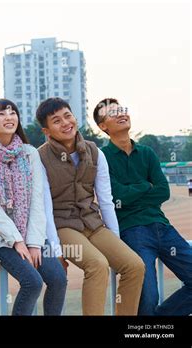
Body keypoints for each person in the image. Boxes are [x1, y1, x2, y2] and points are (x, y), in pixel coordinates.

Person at [35, 97, 145, 315]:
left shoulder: (96, 152)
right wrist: (56, 248)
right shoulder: (40, 157)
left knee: (134, 265)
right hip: (62, 225)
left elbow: (105, 200)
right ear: (47, 131)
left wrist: (114, 237)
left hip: (92, 223)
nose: (65, 123)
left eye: (68, 116)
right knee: (97, 265)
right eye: (56, 121)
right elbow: (44, 206)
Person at [94, 98, 192, 315]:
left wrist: (135, 191)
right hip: (132, 231)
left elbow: (162, 192)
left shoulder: (147, 153)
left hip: (163, 227)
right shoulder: (102, 157)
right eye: (113, 113)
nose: (121, 114)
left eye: (122, 110)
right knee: (148, 296)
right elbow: (116, 196)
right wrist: (145, 185)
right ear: (103, 127)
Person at [0, 99, 67, 316]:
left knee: (58, 279)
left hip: (31, 232)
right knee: (32, 282)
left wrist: (33, 242)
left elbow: (36, 200)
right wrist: (17, 240)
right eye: (1, 114)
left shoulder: (29, 152)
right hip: (0, 237)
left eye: (12, 113)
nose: (9, 117)